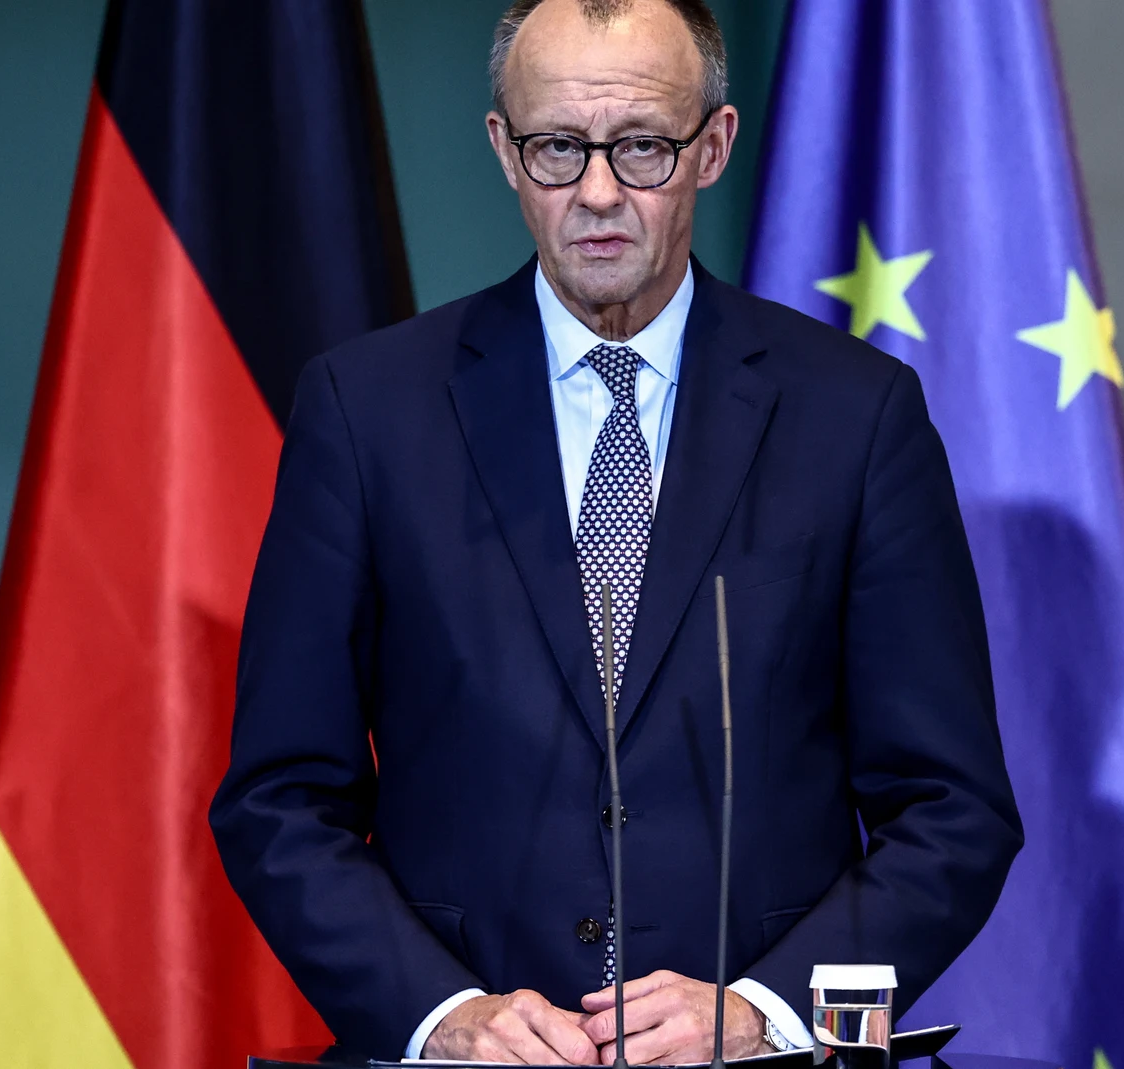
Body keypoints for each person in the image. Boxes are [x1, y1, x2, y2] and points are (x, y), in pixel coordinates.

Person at [210, 0, 1022, 1063]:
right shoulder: (367, 412)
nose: (597, 192)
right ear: (504, 149)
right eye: (558, 148)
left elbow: (951, 809)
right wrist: (444, 1018)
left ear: (713, 146)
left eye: (640, 147)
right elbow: (279, 798)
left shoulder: (855, 417)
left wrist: (765, 1012)